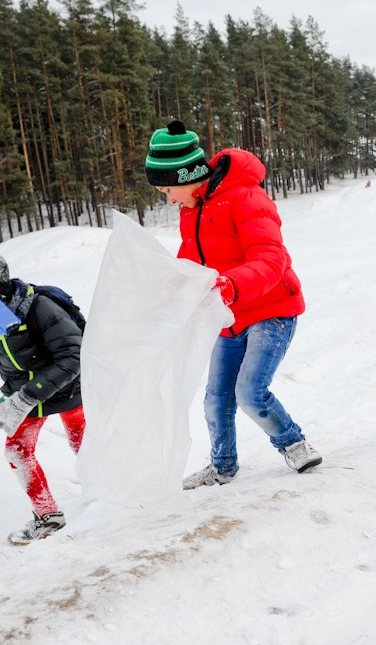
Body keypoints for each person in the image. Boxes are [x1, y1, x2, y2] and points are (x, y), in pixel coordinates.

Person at [145, 120, 321, 490]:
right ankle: (222, 466)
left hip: (271, 309)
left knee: (249, 391)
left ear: (187, 176)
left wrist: (231, 285)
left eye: (167, 189)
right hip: (227, 314)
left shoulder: (246, 197)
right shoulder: (192, 209)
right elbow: (191, 261)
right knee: (214, 399)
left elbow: (271, 257)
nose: (169, 198)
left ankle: (294, 442)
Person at [0, 252, 86, 544]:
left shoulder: (40, 307)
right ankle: (48, 515)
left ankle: (110, 491)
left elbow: (72, 356)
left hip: (68, 386)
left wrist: (26, 398)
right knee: (17, 451)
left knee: (82, 442)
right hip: (24, 391)